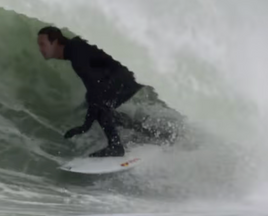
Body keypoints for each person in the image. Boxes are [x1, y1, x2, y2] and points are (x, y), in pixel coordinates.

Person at [36, 26, 182, 157]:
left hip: (129, 75)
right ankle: (154, 134)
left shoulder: (76, 55)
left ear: (55, 42)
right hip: (131, 72)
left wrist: (85, 126)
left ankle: (116, 147)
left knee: (100, 104)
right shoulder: (75, 48)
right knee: (100, 106)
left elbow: (95, 89)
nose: (40, 49)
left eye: (42, 44)